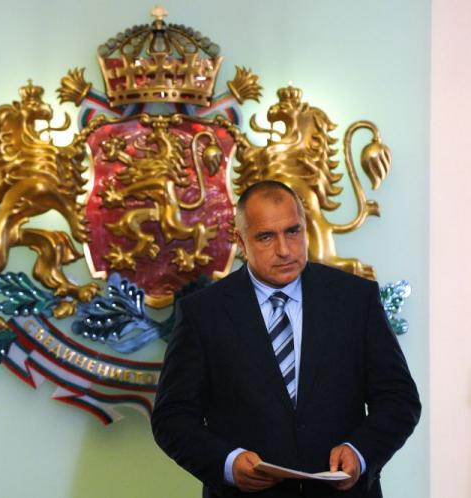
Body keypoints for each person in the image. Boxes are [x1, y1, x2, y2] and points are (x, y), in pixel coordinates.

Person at [151, 180, 420, 497]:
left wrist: (360, 453)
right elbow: (172, 418)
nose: (284, 249)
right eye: (266, 237)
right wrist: (227, 463)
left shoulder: (356, 299)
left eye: (293, 231)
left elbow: (398, 400)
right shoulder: (202, 313)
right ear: (240, 240)